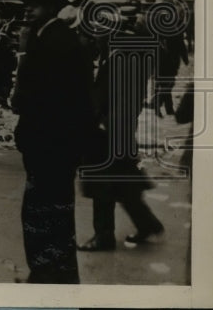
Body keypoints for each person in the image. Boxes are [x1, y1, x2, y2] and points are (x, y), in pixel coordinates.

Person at [10, 0, 95, 284]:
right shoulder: (51, 37)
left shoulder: (53, 42)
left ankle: (46, 273)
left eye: (34, 3)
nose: (27, 8)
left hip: (50, 143)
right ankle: (56, 271)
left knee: (42, 212)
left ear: (51, 7)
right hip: (56, 144)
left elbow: (39, 98)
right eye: (26, 4)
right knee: (53, 211)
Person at [78, 18, 164, 252]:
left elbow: (105, 99)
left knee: (101, 185)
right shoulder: (130, 57)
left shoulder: (116, 60)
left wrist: (101, 125)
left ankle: (103, 237)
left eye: (99, 33)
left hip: (108, 132)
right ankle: (147, 223)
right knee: (125, 181)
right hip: (120, 131)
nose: (95, 37)